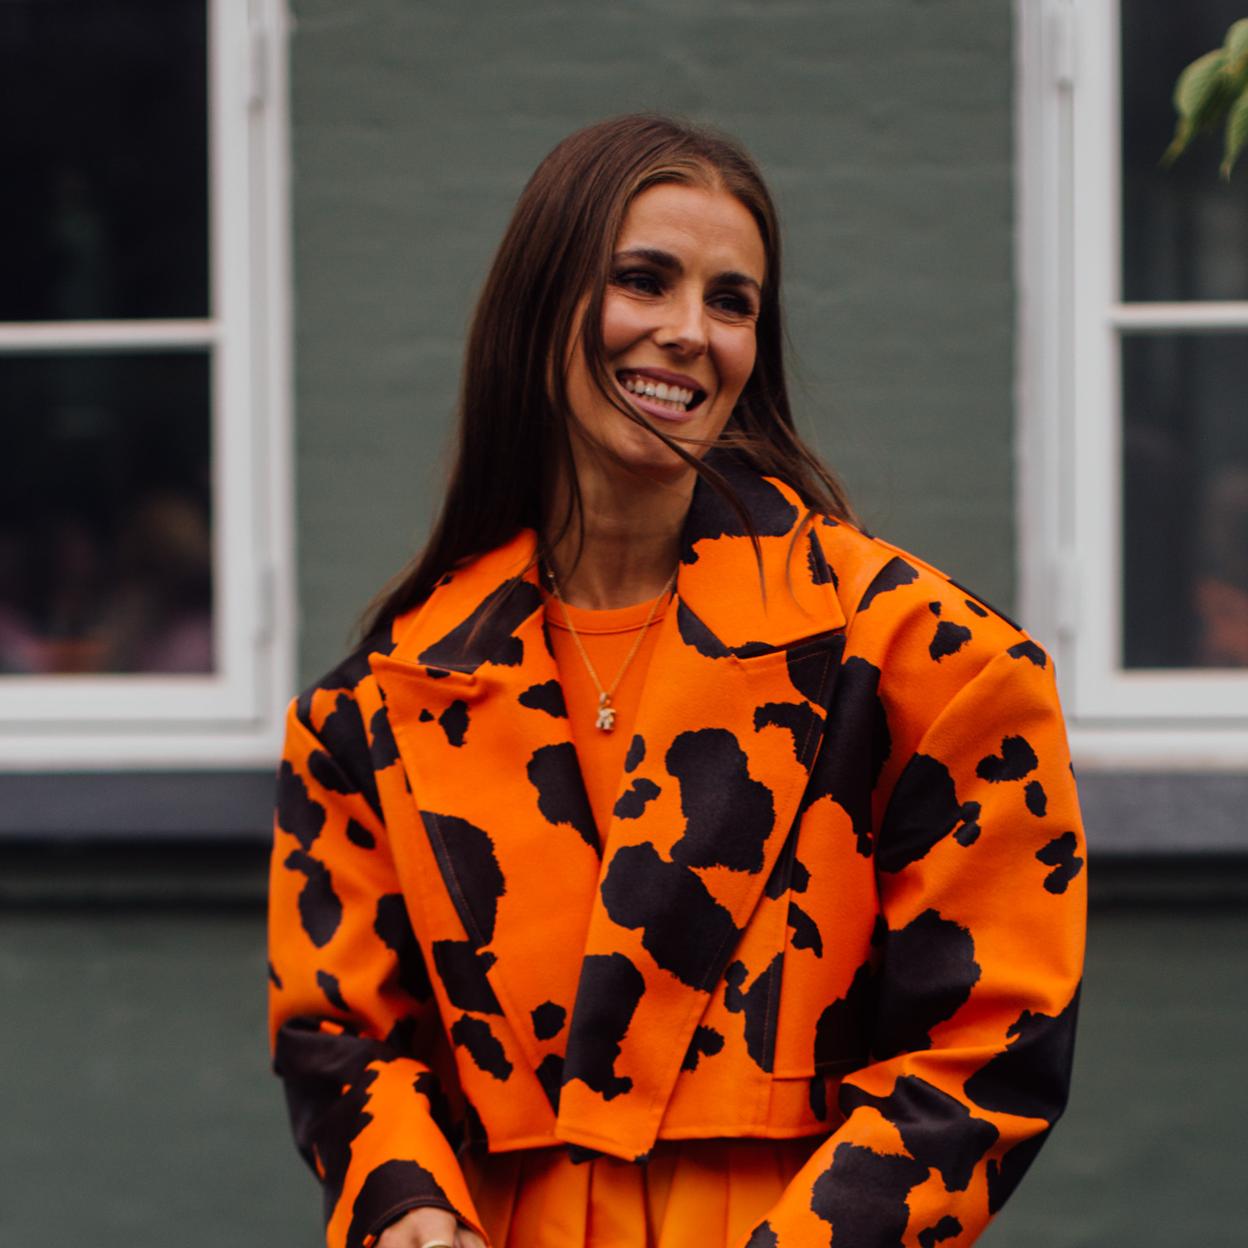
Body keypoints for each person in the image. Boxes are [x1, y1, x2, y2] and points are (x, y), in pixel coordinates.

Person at [268, 115, 1086, 1248]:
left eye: (733, 301)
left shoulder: (922, 663)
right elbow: (343, 1028)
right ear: (538, 304)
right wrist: (404, 1200)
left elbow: (993, 1039)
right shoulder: (376, 706)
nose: (689, 333)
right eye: (642, 281)